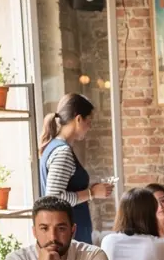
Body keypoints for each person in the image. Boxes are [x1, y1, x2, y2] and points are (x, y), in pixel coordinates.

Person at [38, 93, 114, 245]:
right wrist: (92, 193)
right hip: (69, 239)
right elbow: (55, 198)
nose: (90, 126)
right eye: (89, 121)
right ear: (79, 119)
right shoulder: (63, 152)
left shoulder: (56, 147)